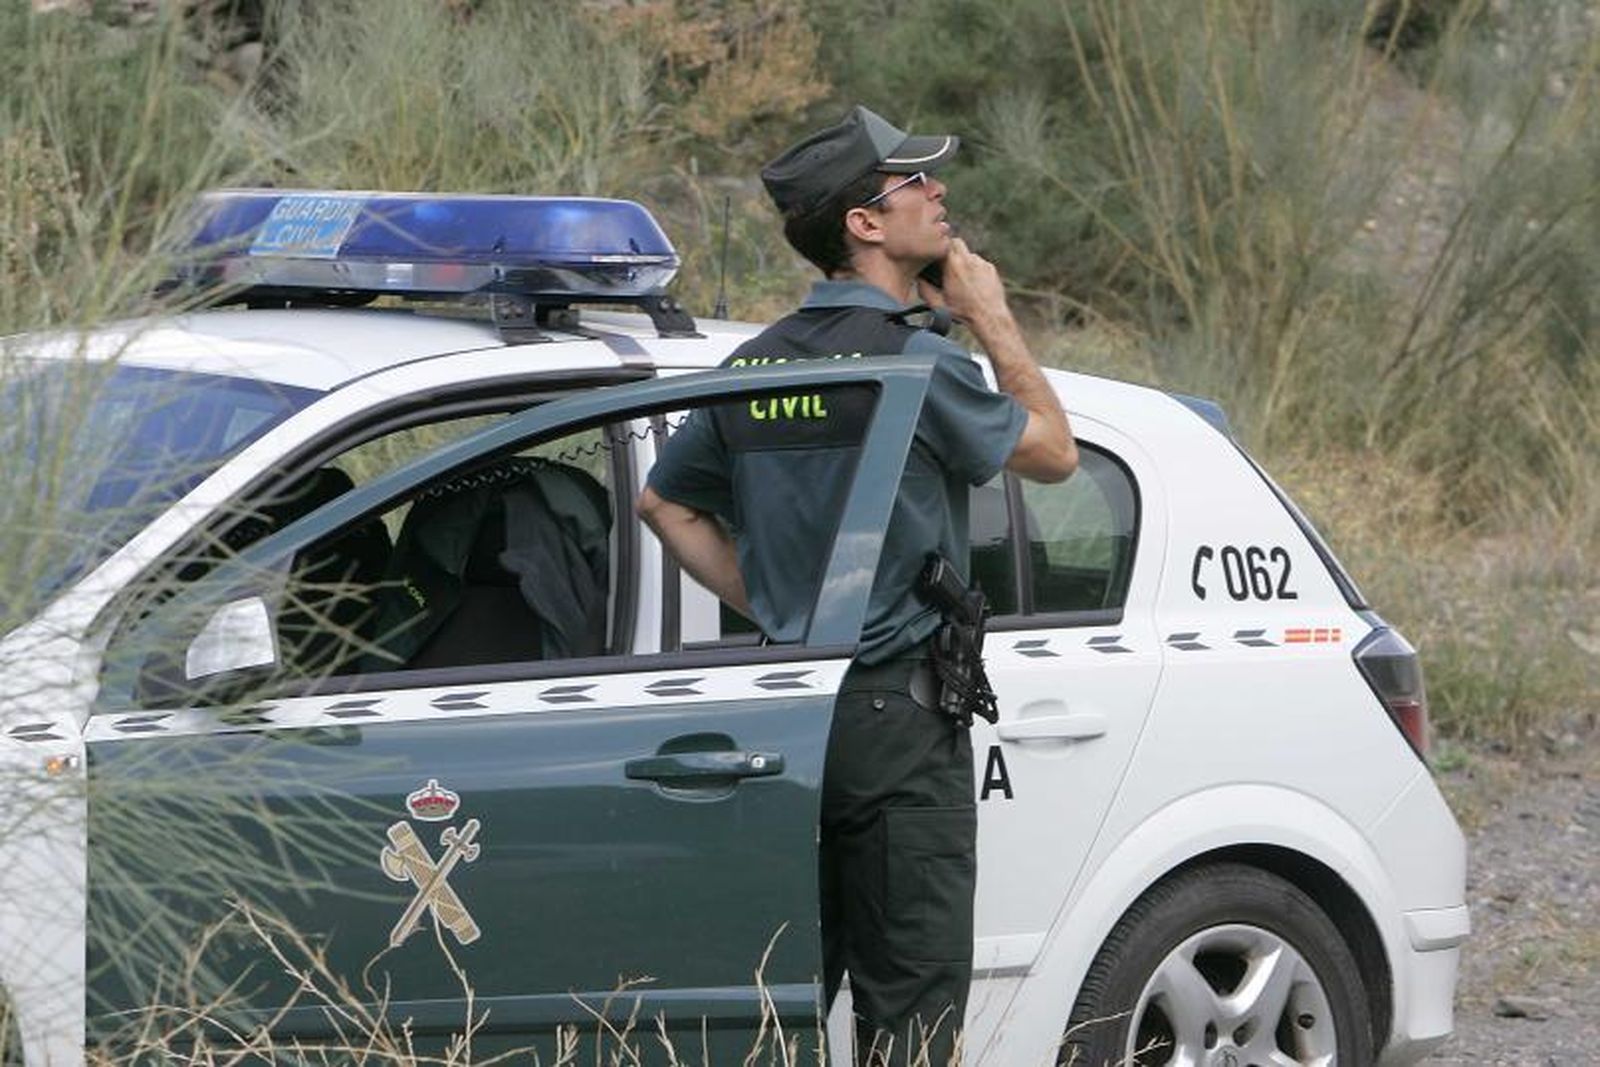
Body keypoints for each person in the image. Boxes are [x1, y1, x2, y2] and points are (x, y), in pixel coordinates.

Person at [637, 105, 1075, 1066]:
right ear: (864, 225)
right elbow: (1054, 452)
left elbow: (662, 503)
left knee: (779, 1004)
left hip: (787, 724)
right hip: (898, 721)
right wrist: (991, 317)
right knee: (910, 1009)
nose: (939, 192)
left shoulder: (748, 367)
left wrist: (791, 615)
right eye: (915, 182)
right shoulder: (919, 362)